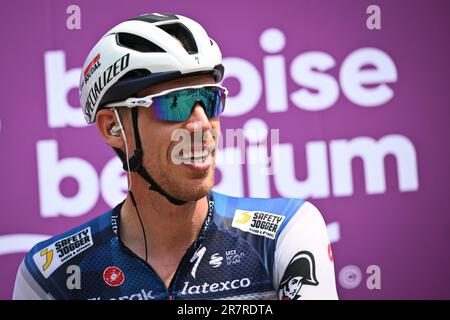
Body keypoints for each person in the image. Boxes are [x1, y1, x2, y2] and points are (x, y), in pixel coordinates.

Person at [13, 13, 338, 300]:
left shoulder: (284, 234)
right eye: (175, 103)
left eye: (209, 100)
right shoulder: (51, 275)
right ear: (114, 127)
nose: (201, 126)